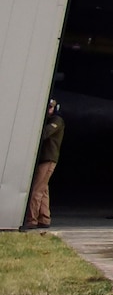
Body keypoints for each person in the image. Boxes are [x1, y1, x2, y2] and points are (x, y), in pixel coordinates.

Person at [23, 98, 62, 229]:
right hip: (44, 159)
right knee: (43, 189)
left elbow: (45, 133)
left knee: (36, 191)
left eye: (50, 107)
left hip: (48, 159)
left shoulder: (57, 121)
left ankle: (31, 219)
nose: (48, 110)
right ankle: (44, 218)